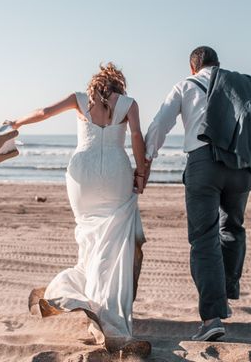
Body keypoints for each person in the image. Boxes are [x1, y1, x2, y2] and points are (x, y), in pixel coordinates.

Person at [10, 63, 150, 356]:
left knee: (88, 236)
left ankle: (87, 301)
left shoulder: (78, 98)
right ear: (118, 85)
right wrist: (141, 171)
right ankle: (106, 311)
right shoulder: (128, 104)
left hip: (82, 173)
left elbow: (45, 112)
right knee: (113, 243)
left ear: (96, 83)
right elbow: (136, 137)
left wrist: (17, 123)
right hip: (115, 171)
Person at [144, 46, 251, 341]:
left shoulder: (185, 85)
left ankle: (212, 317)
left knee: (204, 239)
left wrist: (147, 158)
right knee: (232, 228)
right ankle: (226, 292)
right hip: (241, 166)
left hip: (204, 165)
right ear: (218, 65)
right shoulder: (240, 84)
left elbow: (160, 125)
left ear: (193, 68)